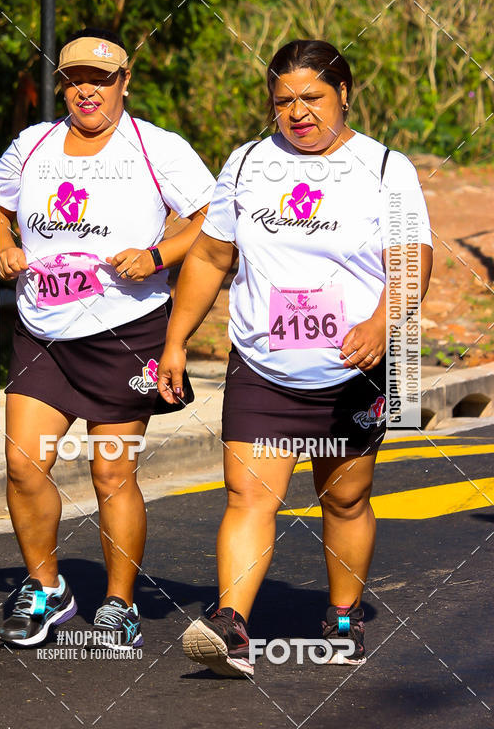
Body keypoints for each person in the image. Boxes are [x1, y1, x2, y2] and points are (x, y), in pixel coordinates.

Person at [157, 39, 433, 675]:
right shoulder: (249, 162)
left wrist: (382, 324)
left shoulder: (387, 169)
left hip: (350, 370)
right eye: (284, 101)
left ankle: (343, 615)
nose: (298, 112)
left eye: (312, 97)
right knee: (249, 496)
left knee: (344, 500)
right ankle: (231, 625)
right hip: (262, 362)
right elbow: (209, 256)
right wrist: (175, 341)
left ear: (344, 95)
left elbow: (411, 261)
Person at [0, 28, 214, 648]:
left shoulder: (156, 147)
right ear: (63, 84)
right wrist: (2, 244)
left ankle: (117, 601)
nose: (89, 90)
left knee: (112, 476)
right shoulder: (32, 145)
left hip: (125, 333)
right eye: (77, 78)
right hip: (43, 330)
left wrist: (160, 252)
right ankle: (46, 589)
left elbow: (213, 216)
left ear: (125, 82)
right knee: (23, 465)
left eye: (102, 79)